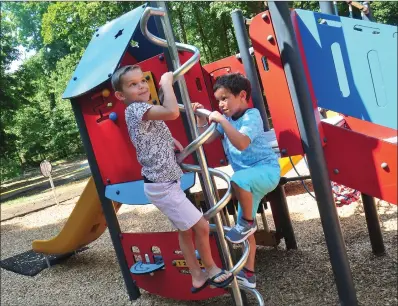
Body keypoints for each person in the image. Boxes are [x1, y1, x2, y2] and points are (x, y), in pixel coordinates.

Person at [111, 65, 233, 293]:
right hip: (162, 187)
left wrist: (171, 142)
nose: (141, 86)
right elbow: (172, 112)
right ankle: (212, 269)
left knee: (185, 230)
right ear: (120, 95)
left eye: (143, 81)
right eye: (133, 84)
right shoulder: (135, 110)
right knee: (203, 226)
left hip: (164, 183)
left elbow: (154, 133)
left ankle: (197, 276)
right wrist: (166, 83)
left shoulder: (143, 109)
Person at [192, 73, 280, 288]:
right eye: (218, 100)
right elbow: (206, 139)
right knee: (244, 234)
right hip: (249, 182)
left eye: (225, 98)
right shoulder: (228, 120)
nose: (221, 104)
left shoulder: (252, 116)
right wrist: (202, 119)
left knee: (237, 181)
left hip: (265, 171)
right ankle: (249, 275)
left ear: (242, 95)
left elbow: (241, 143)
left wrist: (221, 120)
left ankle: (247, 223)